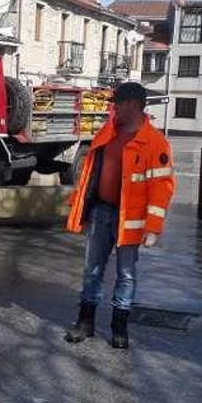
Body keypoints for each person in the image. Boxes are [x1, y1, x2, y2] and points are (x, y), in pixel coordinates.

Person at [64, 82, 176, 349]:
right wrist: (79, 206)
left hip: (130, 220)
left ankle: (119, 327)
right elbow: (90, 172)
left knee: (126, 274)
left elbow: (162, 189)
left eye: (118, 103)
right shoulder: (108, 132)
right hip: (101, 212)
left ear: (134, 105)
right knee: (92, 269)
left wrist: (153, 228)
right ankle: (85, 322)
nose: (113, 107)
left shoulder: (154, 143)